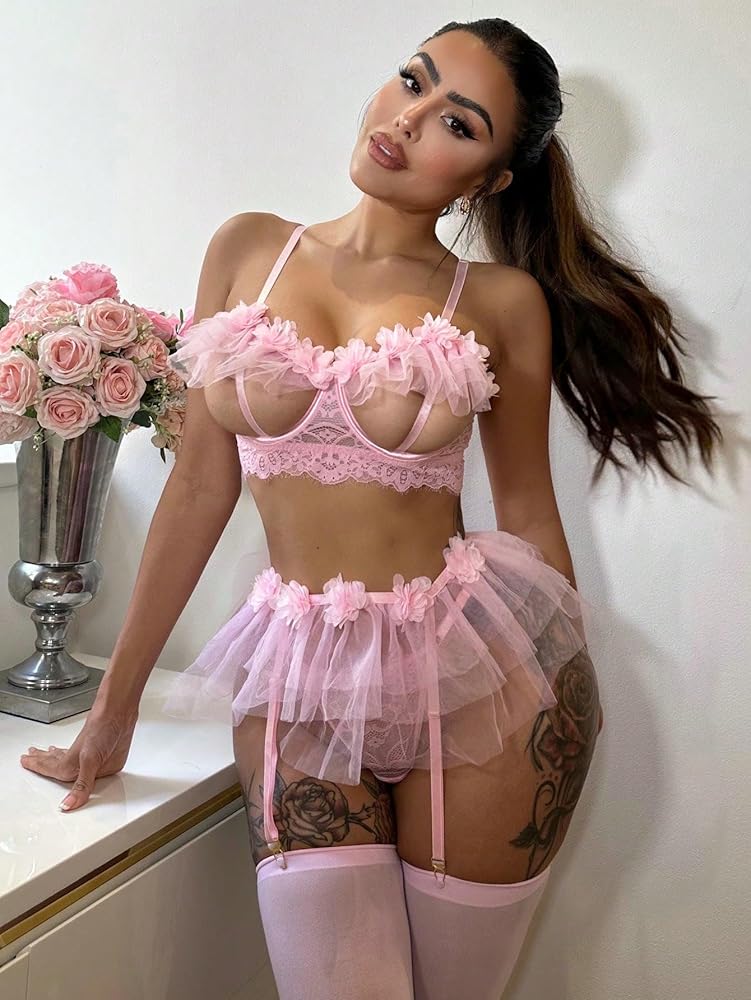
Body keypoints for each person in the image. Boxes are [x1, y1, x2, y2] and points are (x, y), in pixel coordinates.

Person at [19, 17, 723, 1000]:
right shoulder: (248, 248)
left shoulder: (501, 300)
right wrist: (114, 708)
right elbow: (200, 486)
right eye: (412, 81)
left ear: (489, 179)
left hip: (481, 688)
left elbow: (526, 510)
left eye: (457, 122)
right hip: (298, 676)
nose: (406, 118)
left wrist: (567, 674)